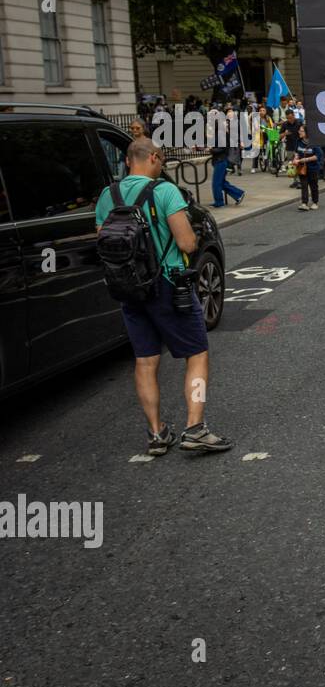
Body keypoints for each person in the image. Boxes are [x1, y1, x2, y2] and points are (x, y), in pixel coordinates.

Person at [95, 138, 233, 455]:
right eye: (162, 160)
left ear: (128, 161)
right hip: (168, 286)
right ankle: (195, 428)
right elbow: (186, 243)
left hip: (129, 288)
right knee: (196, 354)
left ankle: (156, 434)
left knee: (145, 361)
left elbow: (103, 240)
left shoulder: (108, 195)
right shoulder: (164, 191)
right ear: (154, 158)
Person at [209, 113, 244, 207]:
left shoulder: (221, 133)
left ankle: (219, 202)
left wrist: (211, 150)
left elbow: (222, 148)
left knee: (216, 183)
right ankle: (238, 194)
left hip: (221, 160)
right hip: (221, 160)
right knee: (221, 182)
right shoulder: (220, 133)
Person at [291, 122, 322, 211]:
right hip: (302, 168)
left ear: (307, 133)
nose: (299, 132)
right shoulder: (298, 141)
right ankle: (304, 203)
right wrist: (295, 159)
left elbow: (318, 155)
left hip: (313, 168)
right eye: (299, 131)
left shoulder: (314, 142)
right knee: (304, 185)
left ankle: (315, 202)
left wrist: (304, 160)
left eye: (301, 131)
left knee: (313, 185)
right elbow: (296, 152)